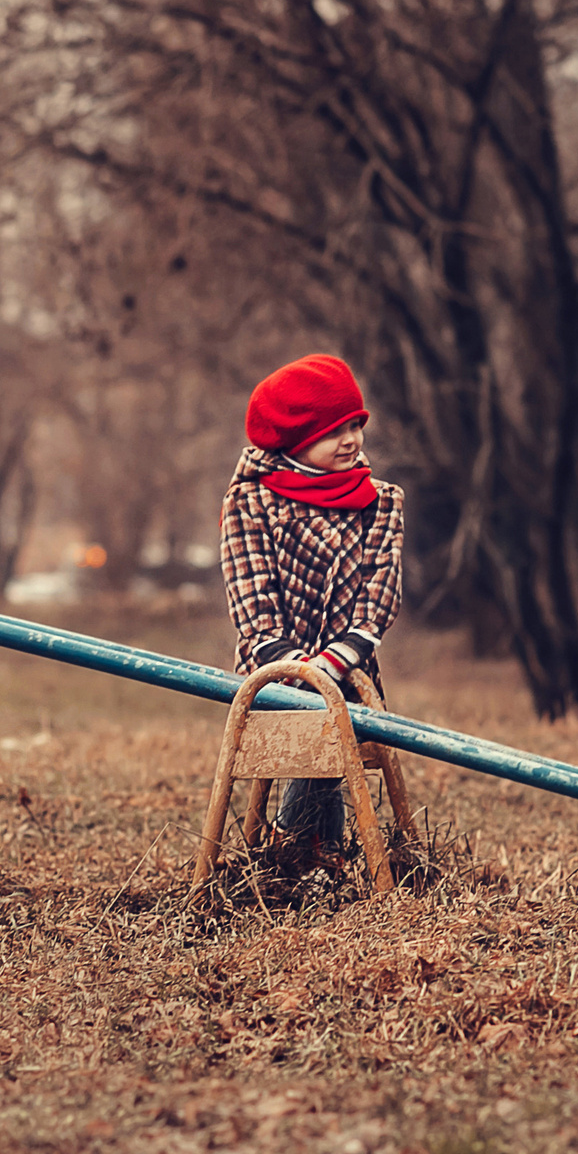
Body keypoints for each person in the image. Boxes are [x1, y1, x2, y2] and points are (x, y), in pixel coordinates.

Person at [217, 353, 405, 855]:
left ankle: (300, 851)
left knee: (332, 720)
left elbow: (379, 595)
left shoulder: (380, 502)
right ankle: (311, 854)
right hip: (271, 673)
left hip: (350, 670)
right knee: (314, 720)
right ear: (295, 440)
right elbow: (250, 595)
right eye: (332, 432)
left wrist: (331, 665)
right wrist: (294, 668)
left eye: (355, 426)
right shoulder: (251, 502)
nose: (350, 440)